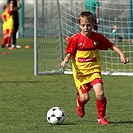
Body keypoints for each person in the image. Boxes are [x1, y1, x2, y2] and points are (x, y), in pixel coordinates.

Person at [61, 11, 129, 125]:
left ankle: (101, 118)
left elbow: (111, 45)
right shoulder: (75, 39)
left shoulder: (97, 37)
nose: (86, 28)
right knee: (85, 98)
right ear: (79, 25)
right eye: (83, 25)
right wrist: (66, 59)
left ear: (92, 24)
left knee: (100, 93)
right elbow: (70, 52)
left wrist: (122, 54)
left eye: (88, 25)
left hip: (94, 71)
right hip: (80, 74)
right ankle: (80, 103)